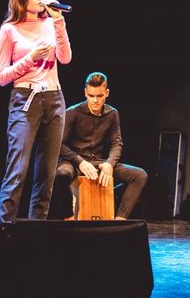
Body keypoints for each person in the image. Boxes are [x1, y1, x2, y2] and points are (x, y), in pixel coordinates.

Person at [0, 0, 72, 227]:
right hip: (25, 100)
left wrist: (58, 21)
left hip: (54, 98)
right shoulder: (9, 30)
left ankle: (36, 234)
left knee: (46, 174)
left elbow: (65, 58)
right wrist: (31, 58)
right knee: (18, 170)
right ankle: (4, 232)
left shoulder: (51, 23)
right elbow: (2, 76)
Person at [49, 72, 148, 220]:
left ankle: (119, 222)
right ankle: (68, 219)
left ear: (107, 93)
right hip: (74, 162)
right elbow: (60, 145)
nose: (95, 100)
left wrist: (109, 163)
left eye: (100, 96)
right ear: (85, 93)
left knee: (139, 175)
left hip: (99, 162)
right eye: (91, 96)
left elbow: (116, 143)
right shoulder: (72, 113)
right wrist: (80, 162)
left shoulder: (112, 114)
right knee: (61, 174)